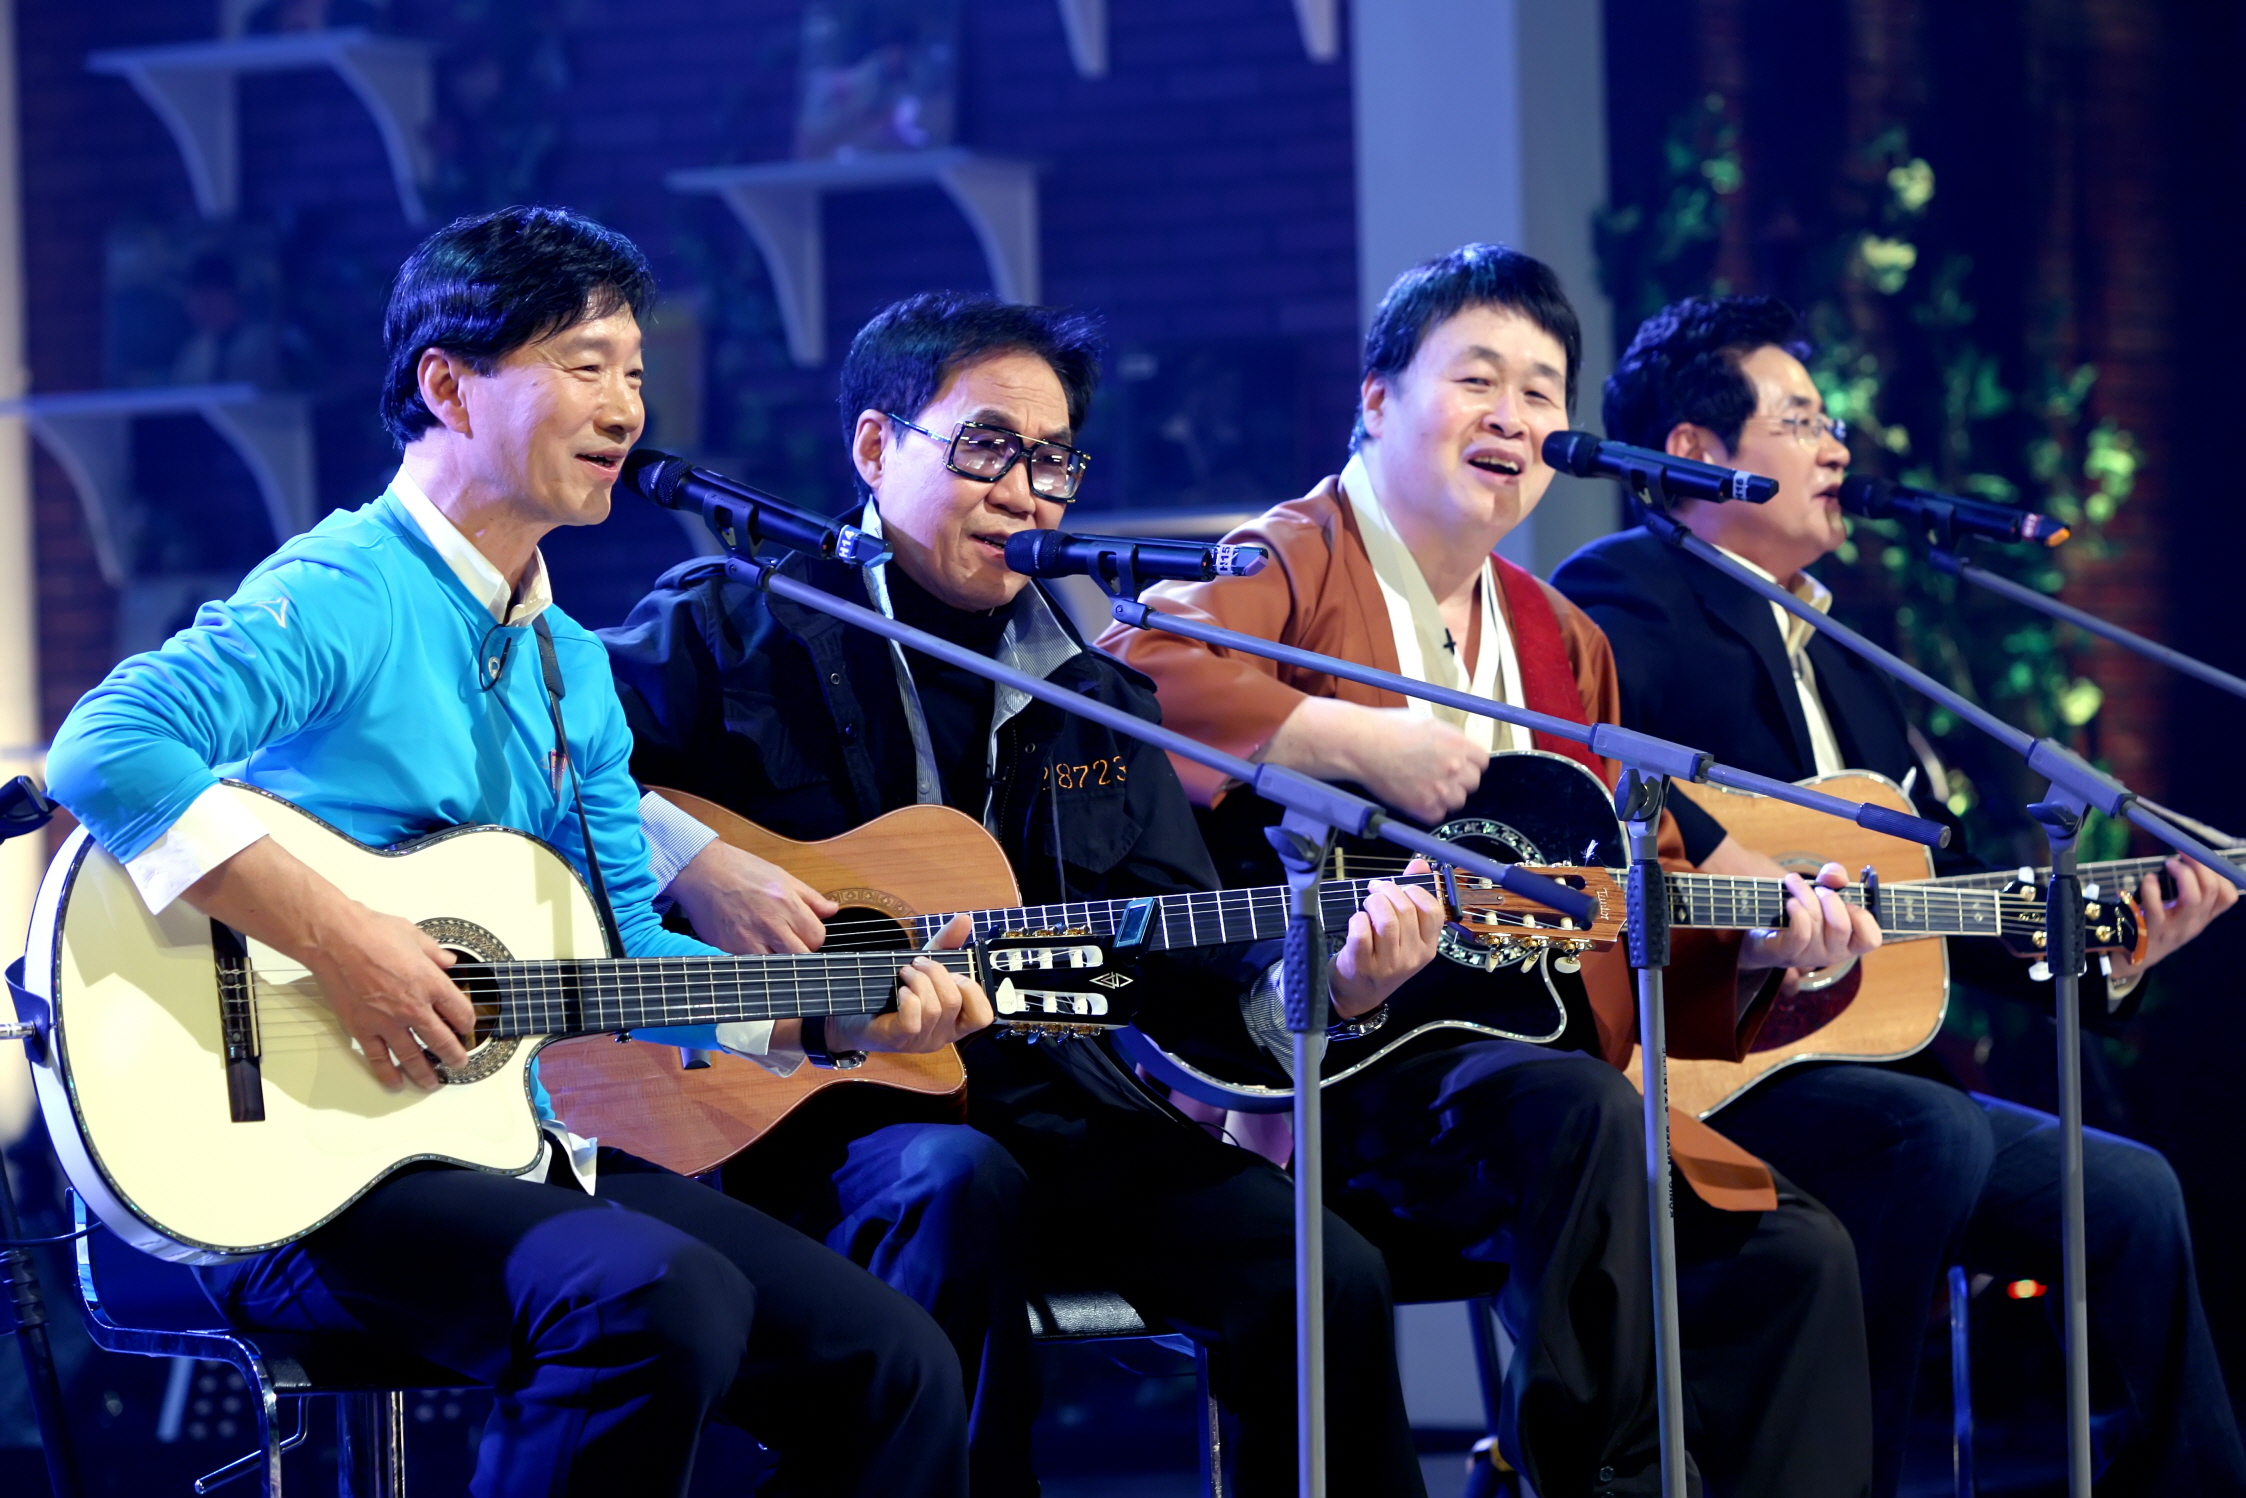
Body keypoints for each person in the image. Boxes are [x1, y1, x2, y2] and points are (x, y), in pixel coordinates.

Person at [43, 206, 981, 1498]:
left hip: (501, 1148)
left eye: (634, 371)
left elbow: (628, 962)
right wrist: (348, 941)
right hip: (288, 1169)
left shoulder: (570, 668)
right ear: (447, 385)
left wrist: (827, 1022)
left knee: (899, 1365)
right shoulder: (348, 589)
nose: (625, 407)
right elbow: (107, 747)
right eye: (584, 364)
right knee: (653, 1293)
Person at [603, 291, 1446, 1497]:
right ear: (875, 446)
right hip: (801, 1115)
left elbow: (1182, 971)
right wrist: (696, 858)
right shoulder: (729, 628)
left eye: (1052, 460)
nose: (1025, 492)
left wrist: (1336, 983)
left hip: (1058, 1110)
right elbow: (552, 772)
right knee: (958, 1187)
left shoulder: (1093, 700)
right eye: (988, 446)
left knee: (1325, 1270)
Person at [1101, 244, 1876, 1498]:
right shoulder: (1292, 554)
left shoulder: (1556, 635)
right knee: (1576, 1115)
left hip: (1522, 1079)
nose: (1512, 416)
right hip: (1335, 1062)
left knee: (1793, 1253)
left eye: (1539, 390)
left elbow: (1629, 876)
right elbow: (1134, 672)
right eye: (1476, 380)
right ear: (1376, 399)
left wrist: (1767, 946)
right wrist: (1349, 738)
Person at [1552, 293, 2246, 1496]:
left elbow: (1948, 904)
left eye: (1831, 423)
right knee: (1925, 1132)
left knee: (2130, 1186)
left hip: (1860, 1077)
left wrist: (2107, 950)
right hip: (1702, 1070)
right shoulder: (1620, 597)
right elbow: (1601, 795)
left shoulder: (1847, 655)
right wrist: (1758, 890)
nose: (1836, 449)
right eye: (1799, 420)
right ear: (1693, 452)